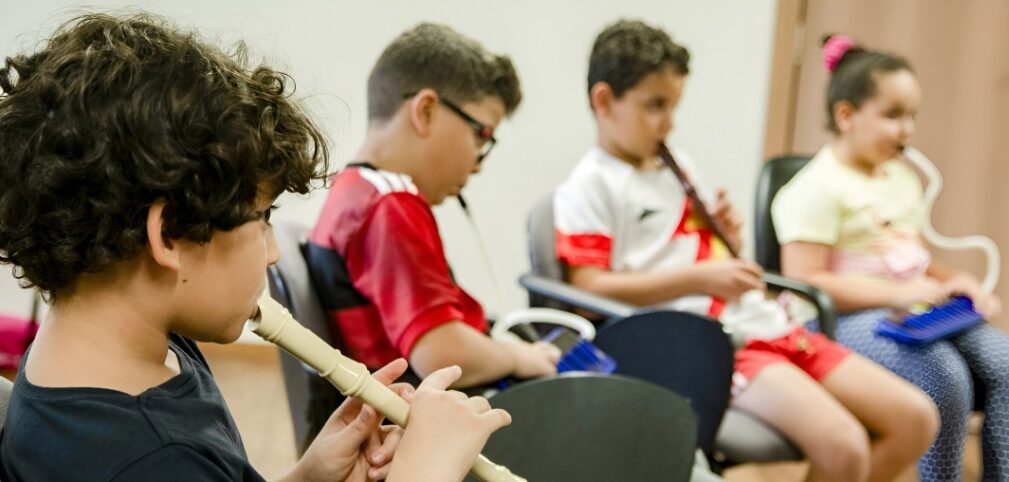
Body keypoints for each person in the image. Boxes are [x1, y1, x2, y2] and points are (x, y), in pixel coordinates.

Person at [0, 13, 511, 481]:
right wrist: (425, 470)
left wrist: (309, 477)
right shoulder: (148, 461)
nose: (272, 251)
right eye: (262, 218)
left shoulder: (138, 350)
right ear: (169, 234)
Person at [555, 20, 938, 481]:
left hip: (763, 322)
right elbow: (589, 285)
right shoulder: (590, 186)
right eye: (654, 105)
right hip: (708, 343)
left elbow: (695, 253)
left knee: (916, 421)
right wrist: (700, 279)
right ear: (604, 101)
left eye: (674, 105)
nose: (669, 121)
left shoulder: (674, 167)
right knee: (845, 449)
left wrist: (729, 239)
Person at [774, 34, 1009, 481]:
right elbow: (808, 281)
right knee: (944, 379)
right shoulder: (814, 189)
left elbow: (911, 260)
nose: (906, 130)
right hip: (835, 321)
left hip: (905, 308)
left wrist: (954, 280)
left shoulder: (901, 180)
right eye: (892, 116)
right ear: (846, 115)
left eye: (912, 116)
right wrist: (899, 291)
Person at [307, 23, 559, 390]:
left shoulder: (354, 189)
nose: (478, 162)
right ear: (425, 111)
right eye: (482, 135)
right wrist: (519, 356)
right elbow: (441, 355)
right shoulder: (390, 204)